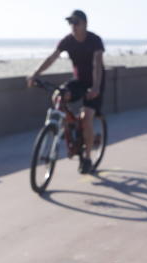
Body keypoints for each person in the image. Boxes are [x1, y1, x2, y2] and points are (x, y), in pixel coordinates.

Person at [27, 9, 105, 174]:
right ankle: (66, 127)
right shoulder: (68, 41)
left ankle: (87, 158)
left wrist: (96, 87)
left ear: (85, 24)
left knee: (87, 118)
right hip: (78, 81)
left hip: (95, 82)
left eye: (76, 22)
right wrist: (35, 74)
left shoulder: (95, 40)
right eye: (71, 23)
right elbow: (51, 58)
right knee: (59, 95)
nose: (73, 26)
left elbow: (97, 65)